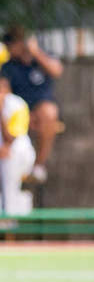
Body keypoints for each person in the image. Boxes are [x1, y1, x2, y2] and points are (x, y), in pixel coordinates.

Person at [0, 28, 63, 184]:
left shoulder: (39, 59)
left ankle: (38, 166)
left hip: (39, 113)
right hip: (19, 115)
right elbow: (4, 94)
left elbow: (56, 71)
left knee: (48, 113)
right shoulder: (8, 67)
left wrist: (36, 53)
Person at [0, 73, 36, 217]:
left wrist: (1, 111)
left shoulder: (17, 105)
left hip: (20, 157)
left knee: (10, 156)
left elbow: (10, 140)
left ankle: (9, 214)